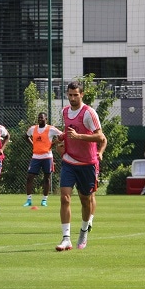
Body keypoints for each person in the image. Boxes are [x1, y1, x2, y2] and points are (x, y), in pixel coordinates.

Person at [55, 81, 106, 251]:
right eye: (70, 95)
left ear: (82, 95)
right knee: (64, 198)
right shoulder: (65, 111)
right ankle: (66, 239)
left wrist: (79, 137)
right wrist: (61, 138)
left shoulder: (89, 113)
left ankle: (84, 230)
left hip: (87, 163)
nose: (72, 98)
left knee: (86, 200)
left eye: (76, 95)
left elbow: (100, 137)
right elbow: (69, 132)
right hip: (69, 161)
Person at [23, 112, 63, 207]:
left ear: (46, 119)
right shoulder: (33, 129)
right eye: (39, 118)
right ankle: (29, 200)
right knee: (29, 177)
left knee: (47, 178)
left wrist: (54, 143)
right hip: (36, 157)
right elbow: (26, 136)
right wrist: (33, 144)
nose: (40, 119)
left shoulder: (51, 129)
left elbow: (62, 135)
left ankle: (44, 200)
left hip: (47, 157)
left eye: (42, 118)